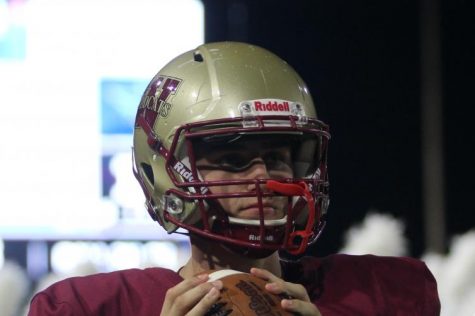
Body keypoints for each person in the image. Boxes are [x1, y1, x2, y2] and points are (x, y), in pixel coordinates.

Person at [28, 42, 440, 315]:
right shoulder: (86, 307)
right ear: (164, 172)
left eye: (278, 156)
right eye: (232, 159)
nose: (263, 177)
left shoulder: (382, 296)